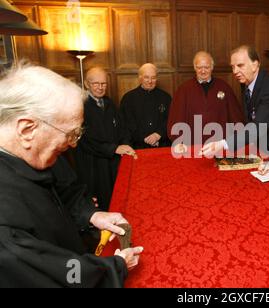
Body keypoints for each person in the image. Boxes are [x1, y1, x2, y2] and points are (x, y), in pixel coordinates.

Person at [0, 63, 143, 287]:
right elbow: (64, 274)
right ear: (27, 129)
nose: (73, 144)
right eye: (70, 134)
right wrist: (116, 266)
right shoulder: (5, 231)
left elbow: (64, 191)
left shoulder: (37, 152)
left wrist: (92, 215)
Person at [201, 45, 269, 156]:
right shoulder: (246, 82)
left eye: (240, 65)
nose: (235, 71)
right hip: (258, 149)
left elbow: (258, 127)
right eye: (233, 67)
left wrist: (223, 144)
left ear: (254, 65)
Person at [75, 67, 137, 211]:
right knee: (99, 198)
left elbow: (122, 128)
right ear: (86, 84)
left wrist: (125, 144)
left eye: (103, 83)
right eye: (96, 83)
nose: (100, 87)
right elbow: (84, 140)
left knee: (115, 196)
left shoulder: (109, 103)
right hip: (93, 162)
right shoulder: (80, 106)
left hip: (112, 160)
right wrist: (114, 148)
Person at [167, 51, 244, 146]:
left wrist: (235, 140)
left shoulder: (224, 87)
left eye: (206, 67)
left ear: (212, 67)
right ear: (195, 67)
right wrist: (178, 141)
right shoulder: (183, 90)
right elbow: (176, 118)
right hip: (192, 145)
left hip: (219, 145)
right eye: (199, 67)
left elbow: (235, 116)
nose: (203, 71)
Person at [120, 63, 171, 149]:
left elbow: (170, 120)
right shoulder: (128, 98)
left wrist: (158, 134)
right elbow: (126, 124)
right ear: (140, 78)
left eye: (153, 78)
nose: (150, 81)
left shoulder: (166, 97)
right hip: (138, 147)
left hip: (161, 145)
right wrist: (147, 139)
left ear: (156, 78)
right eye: (146, 77)